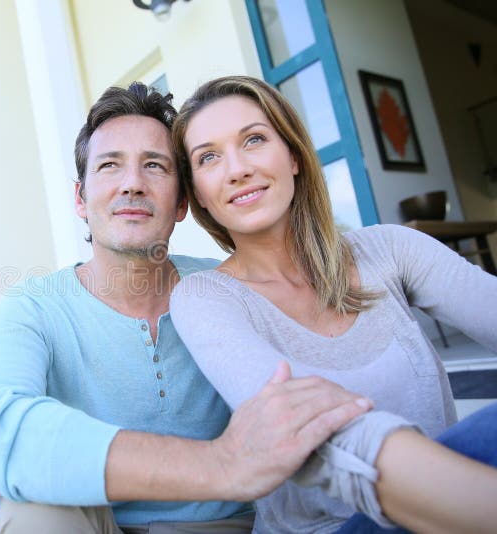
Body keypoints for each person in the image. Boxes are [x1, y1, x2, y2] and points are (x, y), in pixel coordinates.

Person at [0, 82, 375, 533]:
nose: (132, 183)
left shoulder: (229, 288)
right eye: (110, 165)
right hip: (99, 524)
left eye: (154, 166)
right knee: (34, 513)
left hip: (234, 525)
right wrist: (220, 463)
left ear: (181, 203)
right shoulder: (33, 309)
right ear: (80, 199)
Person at [169, 75, 497, 534]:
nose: (237, 169)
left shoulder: (391, 249)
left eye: (255, 139)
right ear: (199, 193)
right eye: (208, 157)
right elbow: (310, 430)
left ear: (295, 156)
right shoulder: (205, 298)